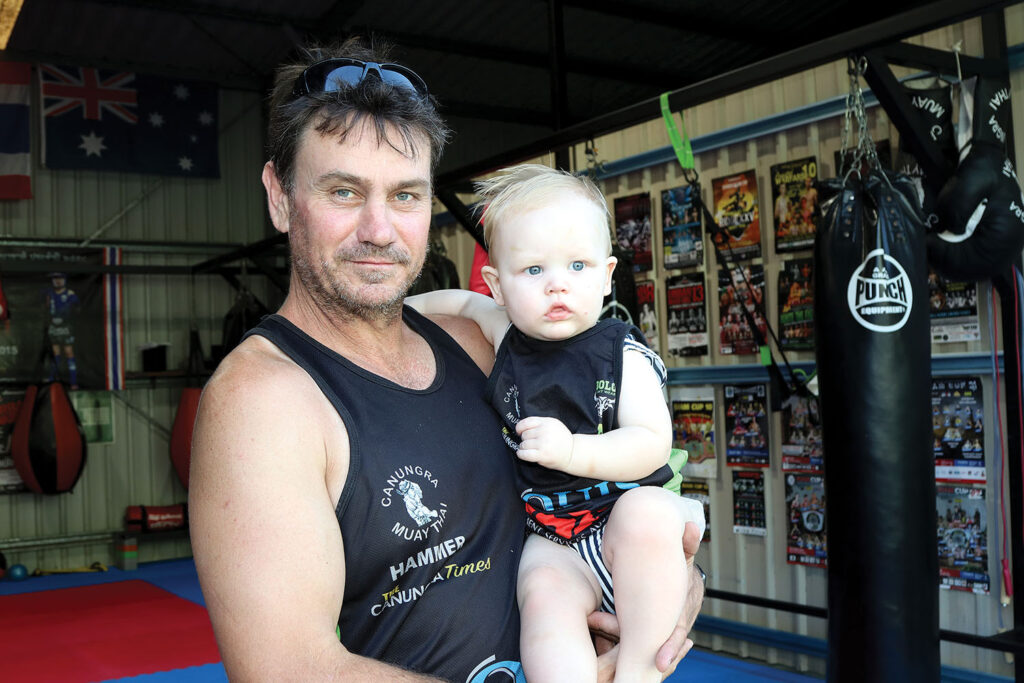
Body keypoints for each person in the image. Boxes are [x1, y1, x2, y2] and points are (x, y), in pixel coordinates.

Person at [188, 38, 705, 682]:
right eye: (345, 192)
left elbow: (613, 488)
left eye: (405, 196)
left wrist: (669, 576)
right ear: (278, 194)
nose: (380, 228)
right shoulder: (263, 401)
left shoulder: (477, 341)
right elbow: (288, 670)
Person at [407, 165, 706, 682]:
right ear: (499, 285)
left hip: (623, 529)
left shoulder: (622, 353)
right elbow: (460, 302)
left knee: (651, 511)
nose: (558, 286)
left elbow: (652, 443)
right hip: (555, 535)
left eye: (577, 265)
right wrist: (397, 310)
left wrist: (573, 452)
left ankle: (638, 671)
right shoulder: (504, 336)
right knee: (542, 593)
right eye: (534, 271)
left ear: (608, 274)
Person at [44, 272, 79, 388]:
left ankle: (73, 382)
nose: (58, 281)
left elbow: (75, 306)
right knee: (55, 354)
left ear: (64, 280)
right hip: (54, 326)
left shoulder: (70, 294)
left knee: (69, 352)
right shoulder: (49, 293)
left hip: (66, 327)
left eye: (60, 278)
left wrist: (66, 311)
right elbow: (46, 307)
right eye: (55, 279)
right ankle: (51, 380)